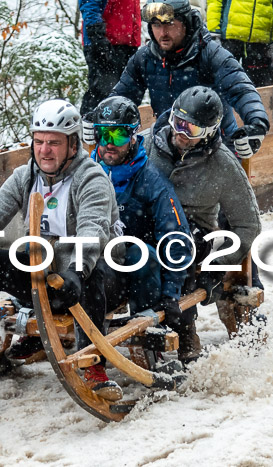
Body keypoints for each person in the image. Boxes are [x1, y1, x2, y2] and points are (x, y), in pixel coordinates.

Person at [0, 99, 125, 401]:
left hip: (94, 277)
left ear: (73, 145)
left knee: (92, 269)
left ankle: (92, 365)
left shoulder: (92, 178)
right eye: (39, 142)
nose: (44, 150)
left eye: (54, 143)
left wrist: (75, 270)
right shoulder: (25, 177)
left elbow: (93, 231)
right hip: (43, 274)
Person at [144, 86, 263, 356]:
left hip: (195, 236)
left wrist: (218, 265)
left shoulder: (223, 165)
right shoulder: (146, 146)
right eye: (178, 123)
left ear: (209, 133)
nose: (181, 133)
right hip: (147, 226)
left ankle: (186, 333)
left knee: (178, 255)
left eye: (192, 130)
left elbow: (248, 225)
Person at [89, 95, 202, 362]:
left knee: (141, 254)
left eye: (118, 135)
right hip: (95, 261)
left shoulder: (152, 182)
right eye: (102, 134)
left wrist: (171, 293)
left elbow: (176, 238)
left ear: (132, 137)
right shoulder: (85, 173)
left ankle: (148, 331)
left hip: (139, 271)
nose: (108, 144)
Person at [102, 0, 270, 158]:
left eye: (170, 24)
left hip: (216, 148)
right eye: (156, 25)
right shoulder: (145, 58)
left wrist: (257, 123)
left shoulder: (211, 54)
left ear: (186, 22)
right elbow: (121, 97)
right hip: (169, 144)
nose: (163, 33)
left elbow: (241, 89)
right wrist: (101, 116)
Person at [79, 0, 141, 116]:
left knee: (127, 93)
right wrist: (97, 34)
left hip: (127, 41)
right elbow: (89, 4)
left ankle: (120, 129)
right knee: (103, 93)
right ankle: (89, 128)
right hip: (105, 41)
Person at [207, 0, 273, 87]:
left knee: (258, 87)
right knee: (224, 81)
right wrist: (214, 33)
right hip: (232, 38)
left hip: (258, 42)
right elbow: (215, 3)